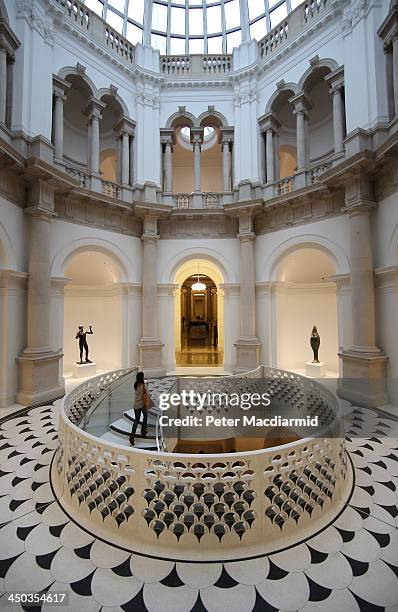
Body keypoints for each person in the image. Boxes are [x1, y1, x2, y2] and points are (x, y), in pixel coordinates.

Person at [129, 371, 149, 446]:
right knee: (145, 416)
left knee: (136, 420)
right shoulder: (144, 386)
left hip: (136, 405)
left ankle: (132, 436)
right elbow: (147, 394)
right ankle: (143, 430)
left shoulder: (135, 384)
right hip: (142, 405)